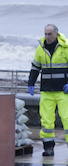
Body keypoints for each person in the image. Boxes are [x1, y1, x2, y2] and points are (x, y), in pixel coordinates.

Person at [27, 24, 68, 157]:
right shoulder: (41, 48)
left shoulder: (65, 48)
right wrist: (31, 83)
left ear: (56, 34)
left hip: (63, 91)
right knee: (46, 121)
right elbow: (35, 67)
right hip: (46, 91)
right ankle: (48, 148)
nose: (47, 36)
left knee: (67, 118)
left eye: (50, 34)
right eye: (45, 33)